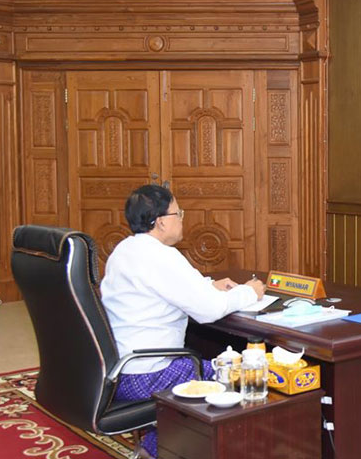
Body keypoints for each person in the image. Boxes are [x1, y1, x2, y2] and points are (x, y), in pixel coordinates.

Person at [101, 184, 266, 458]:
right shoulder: (162, 256)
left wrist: (208, 284)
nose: (181, 220)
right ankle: (162, 450)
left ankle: (151, 448)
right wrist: (250, 291)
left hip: (119, 371)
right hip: (148, 374)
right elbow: (209, 310)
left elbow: (164, 288)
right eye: (179, 213)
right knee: (236, 374)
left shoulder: (125, 250)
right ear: (162, 222)